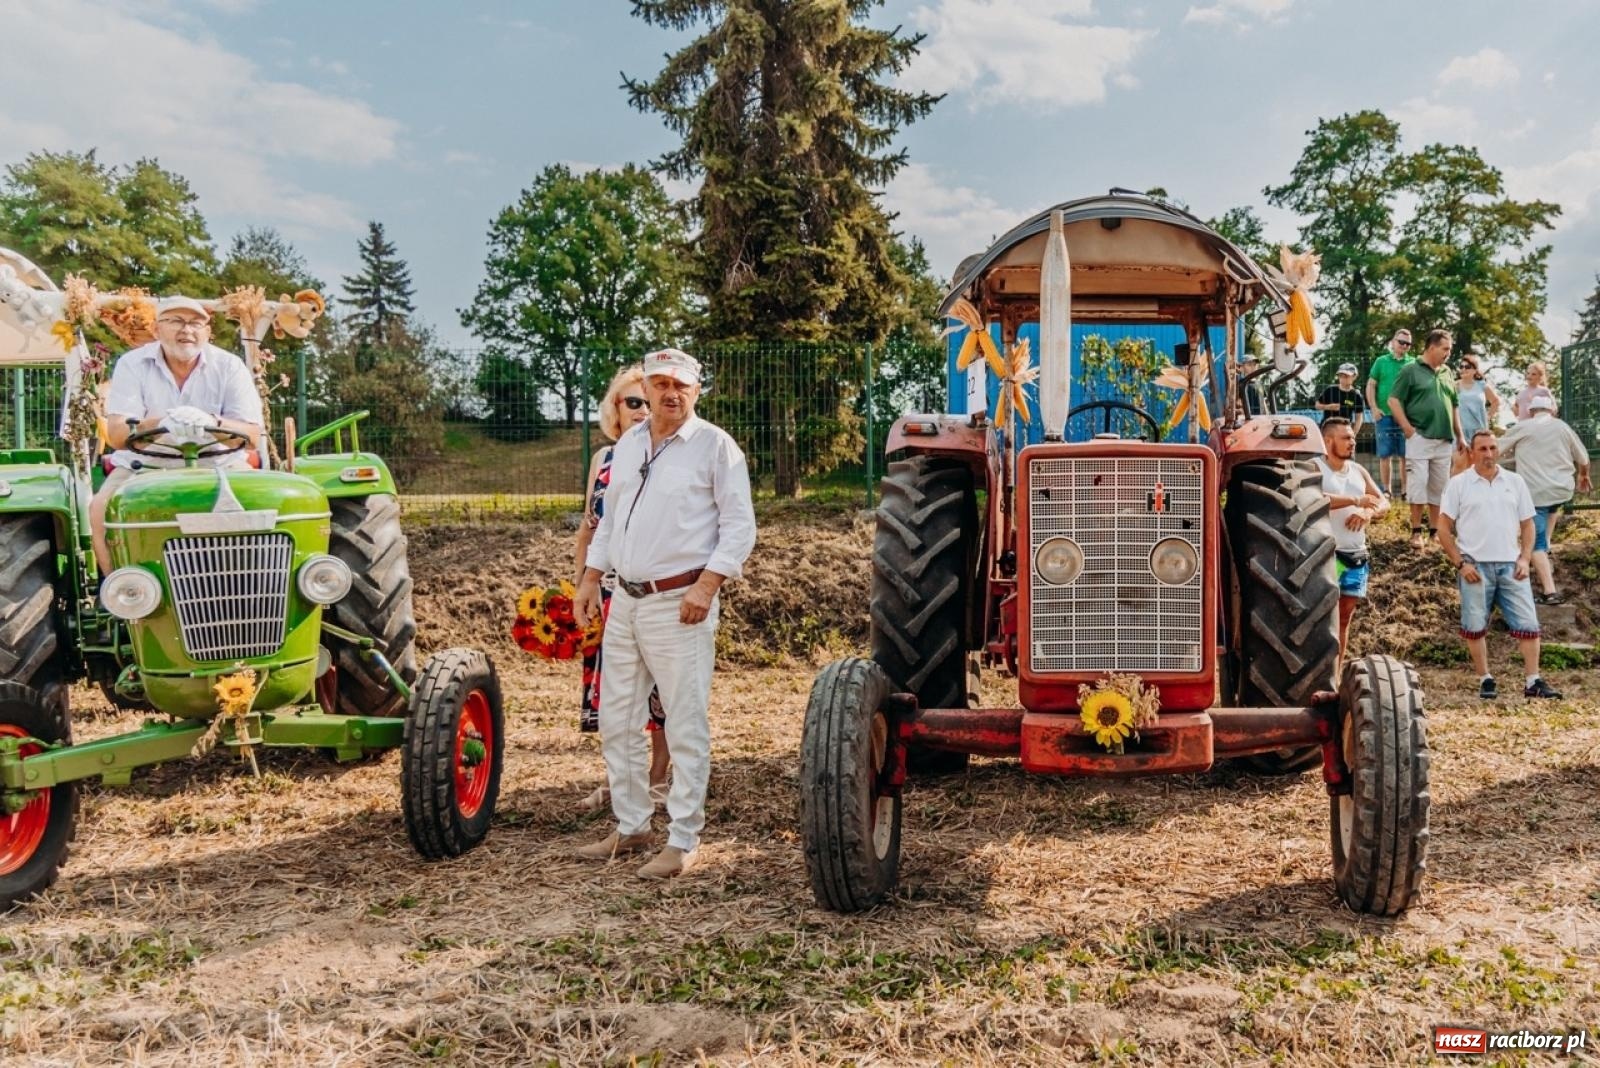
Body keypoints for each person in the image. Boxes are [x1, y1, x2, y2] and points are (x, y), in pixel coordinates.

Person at [574, 348, 756, 878]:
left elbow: (740, 527)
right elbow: (608, 523)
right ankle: (632, 826)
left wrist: (707, 585)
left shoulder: (715, 447)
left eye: (682, 385)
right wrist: (590, 578)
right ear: (646, 389)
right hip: (625, 599)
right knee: (617, 718)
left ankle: (682, 839)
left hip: (680, 603)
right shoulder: (628, 445)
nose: (671, 393)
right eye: (660, 384)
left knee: (683, 721)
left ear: (697, 391)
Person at [91, 297, 262, 572]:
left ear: (208, 332)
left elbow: (252, 434)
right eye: (175, 321)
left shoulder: (229, 366)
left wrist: (211, 421)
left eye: (196, 323)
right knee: (101, 507)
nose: (187, 330)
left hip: (220, 464)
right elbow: (117, 433)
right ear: (157, 330)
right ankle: (123, 595)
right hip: (146, 467)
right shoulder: (132, 364)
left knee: (270, 501)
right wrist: (163, 422)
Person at [573, 367, 669, 814]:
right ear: (615, 407)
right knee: (615, 696)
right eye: (633, 402)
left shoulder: (671, 453)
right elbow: (590, 529)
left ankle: (659, 781)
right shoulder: (603, 460)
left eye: (648, 403)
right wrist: (581, 586)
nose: (641, 410)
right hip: (607, 591)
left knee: (661, 695)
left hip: (654, 589)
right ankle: (619, 781)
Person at [1437, 430, 1561, 701]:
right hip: (1474, 567)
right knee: (1474, 624)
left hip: (1511, 565)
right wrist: (1460, 564)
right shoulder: (1459, 484)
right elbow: (1443, 529)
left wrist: (1525, 558)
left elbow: (1528, 524)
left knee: (1528, 623)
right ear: (1471, 452)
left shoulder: (1515, 482)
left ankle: (1533, 681)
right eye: (1482, 448)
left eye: (1493, 448)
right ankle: (1485, 679)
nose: (1489, 454)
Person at [1499, 393, 1592, 604]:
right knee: (1553, 507)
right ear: (1552, 411)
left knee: (1534, 544)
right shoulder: (1562, 427)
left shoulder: (1524, 426)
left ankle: (1550, 591)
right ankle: (1547, 545)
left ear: (1531, 412)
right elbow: (1584, 458)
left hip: (1535, 494)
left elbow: (1497, 448)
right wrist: (1583, 475)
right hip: (1561, 490)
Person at [1316, 418, 1388, 666]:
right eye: (1346, 438)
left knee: (1344, 618)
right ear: (1328, 441)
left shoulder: (1358, 471)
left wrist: (1368, 513)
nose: (1352, 442)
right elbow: (1315, 498)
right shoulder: (1314, 468)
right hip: (1326, 556)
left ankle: (1334, 677)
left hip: (1355, 556)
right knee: (1323, 617)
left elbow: (1383, 502)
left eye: (1353, 438)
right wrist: (1355, 501)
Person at [1388, 328, 1464, 550]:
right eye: (1445, 349)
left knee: (1439, 488)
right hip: (1420, 436)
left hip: (1444, 440)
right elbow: (1394, 400)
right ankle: (1415, 532)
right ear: (1431, 347)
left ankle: (1434, 532)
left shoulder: (1447, 372)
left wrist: (1460, 435)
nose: (1449, 353)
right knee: (1418, 484)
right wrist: (1408, 429)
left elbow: (1455, 404)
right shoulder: (1410, 370)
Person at [1366, 329, 1414, 497]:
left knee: (1405, 455)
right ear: (1393, 342)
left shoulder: (1413, 363)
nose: (1404, 346)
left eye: (1408, 344)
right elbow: (1371, 385)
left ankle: (1406, 491)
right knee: (1384, 454)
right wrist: (1373, 407)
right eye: (1401, 342)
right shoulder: (1381, 361)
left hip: (1405, 416)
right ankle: (1386, 490)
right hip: (1384, 415)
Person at [1451, 351, 1501, 475]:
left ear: (1474, 370)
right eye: (1461, 367)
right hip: (1460, 432)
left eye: (1467, 367)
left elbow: (1495, 401)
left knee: (1477, 467)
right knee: (1459, 464)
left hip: (1479, 432)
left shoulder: (1481, 386)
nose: (1463, 369)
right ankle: (1453, 493)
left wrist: (1488, 416)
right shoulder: (1455, 386)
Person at [1315, 363, 1367, 432]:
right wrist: (1328, 407)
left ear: (1354, 376)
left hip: (1344, 430)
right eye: (1340, 376)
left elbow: (1359, 418)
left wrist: (1353, 434)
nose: (1342, 378)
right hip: (1326, 428)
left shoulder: (1357, 396)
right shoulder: (1330, 390)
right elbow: (1317, 405)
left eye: (1346, 376)